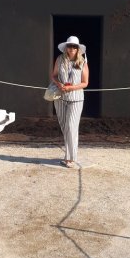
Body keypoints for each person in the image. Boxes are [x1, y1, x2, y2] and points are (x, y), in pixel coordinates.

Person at [51, 35, 89, 168]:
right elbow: (54, 76)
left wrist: (71, 87)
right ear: (66, 47)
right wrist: (59, 84)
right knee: (65, 127)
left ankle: (70, 158)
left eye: (74, 46)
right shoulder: (60, 59)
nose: (71, 48)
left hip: (76, 99)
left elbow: (85, 83)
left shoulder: (82, 62)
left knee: (71, 126)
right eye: (69, 46)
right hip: (60, 98)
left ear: (78, 49)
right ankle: (69, 155)